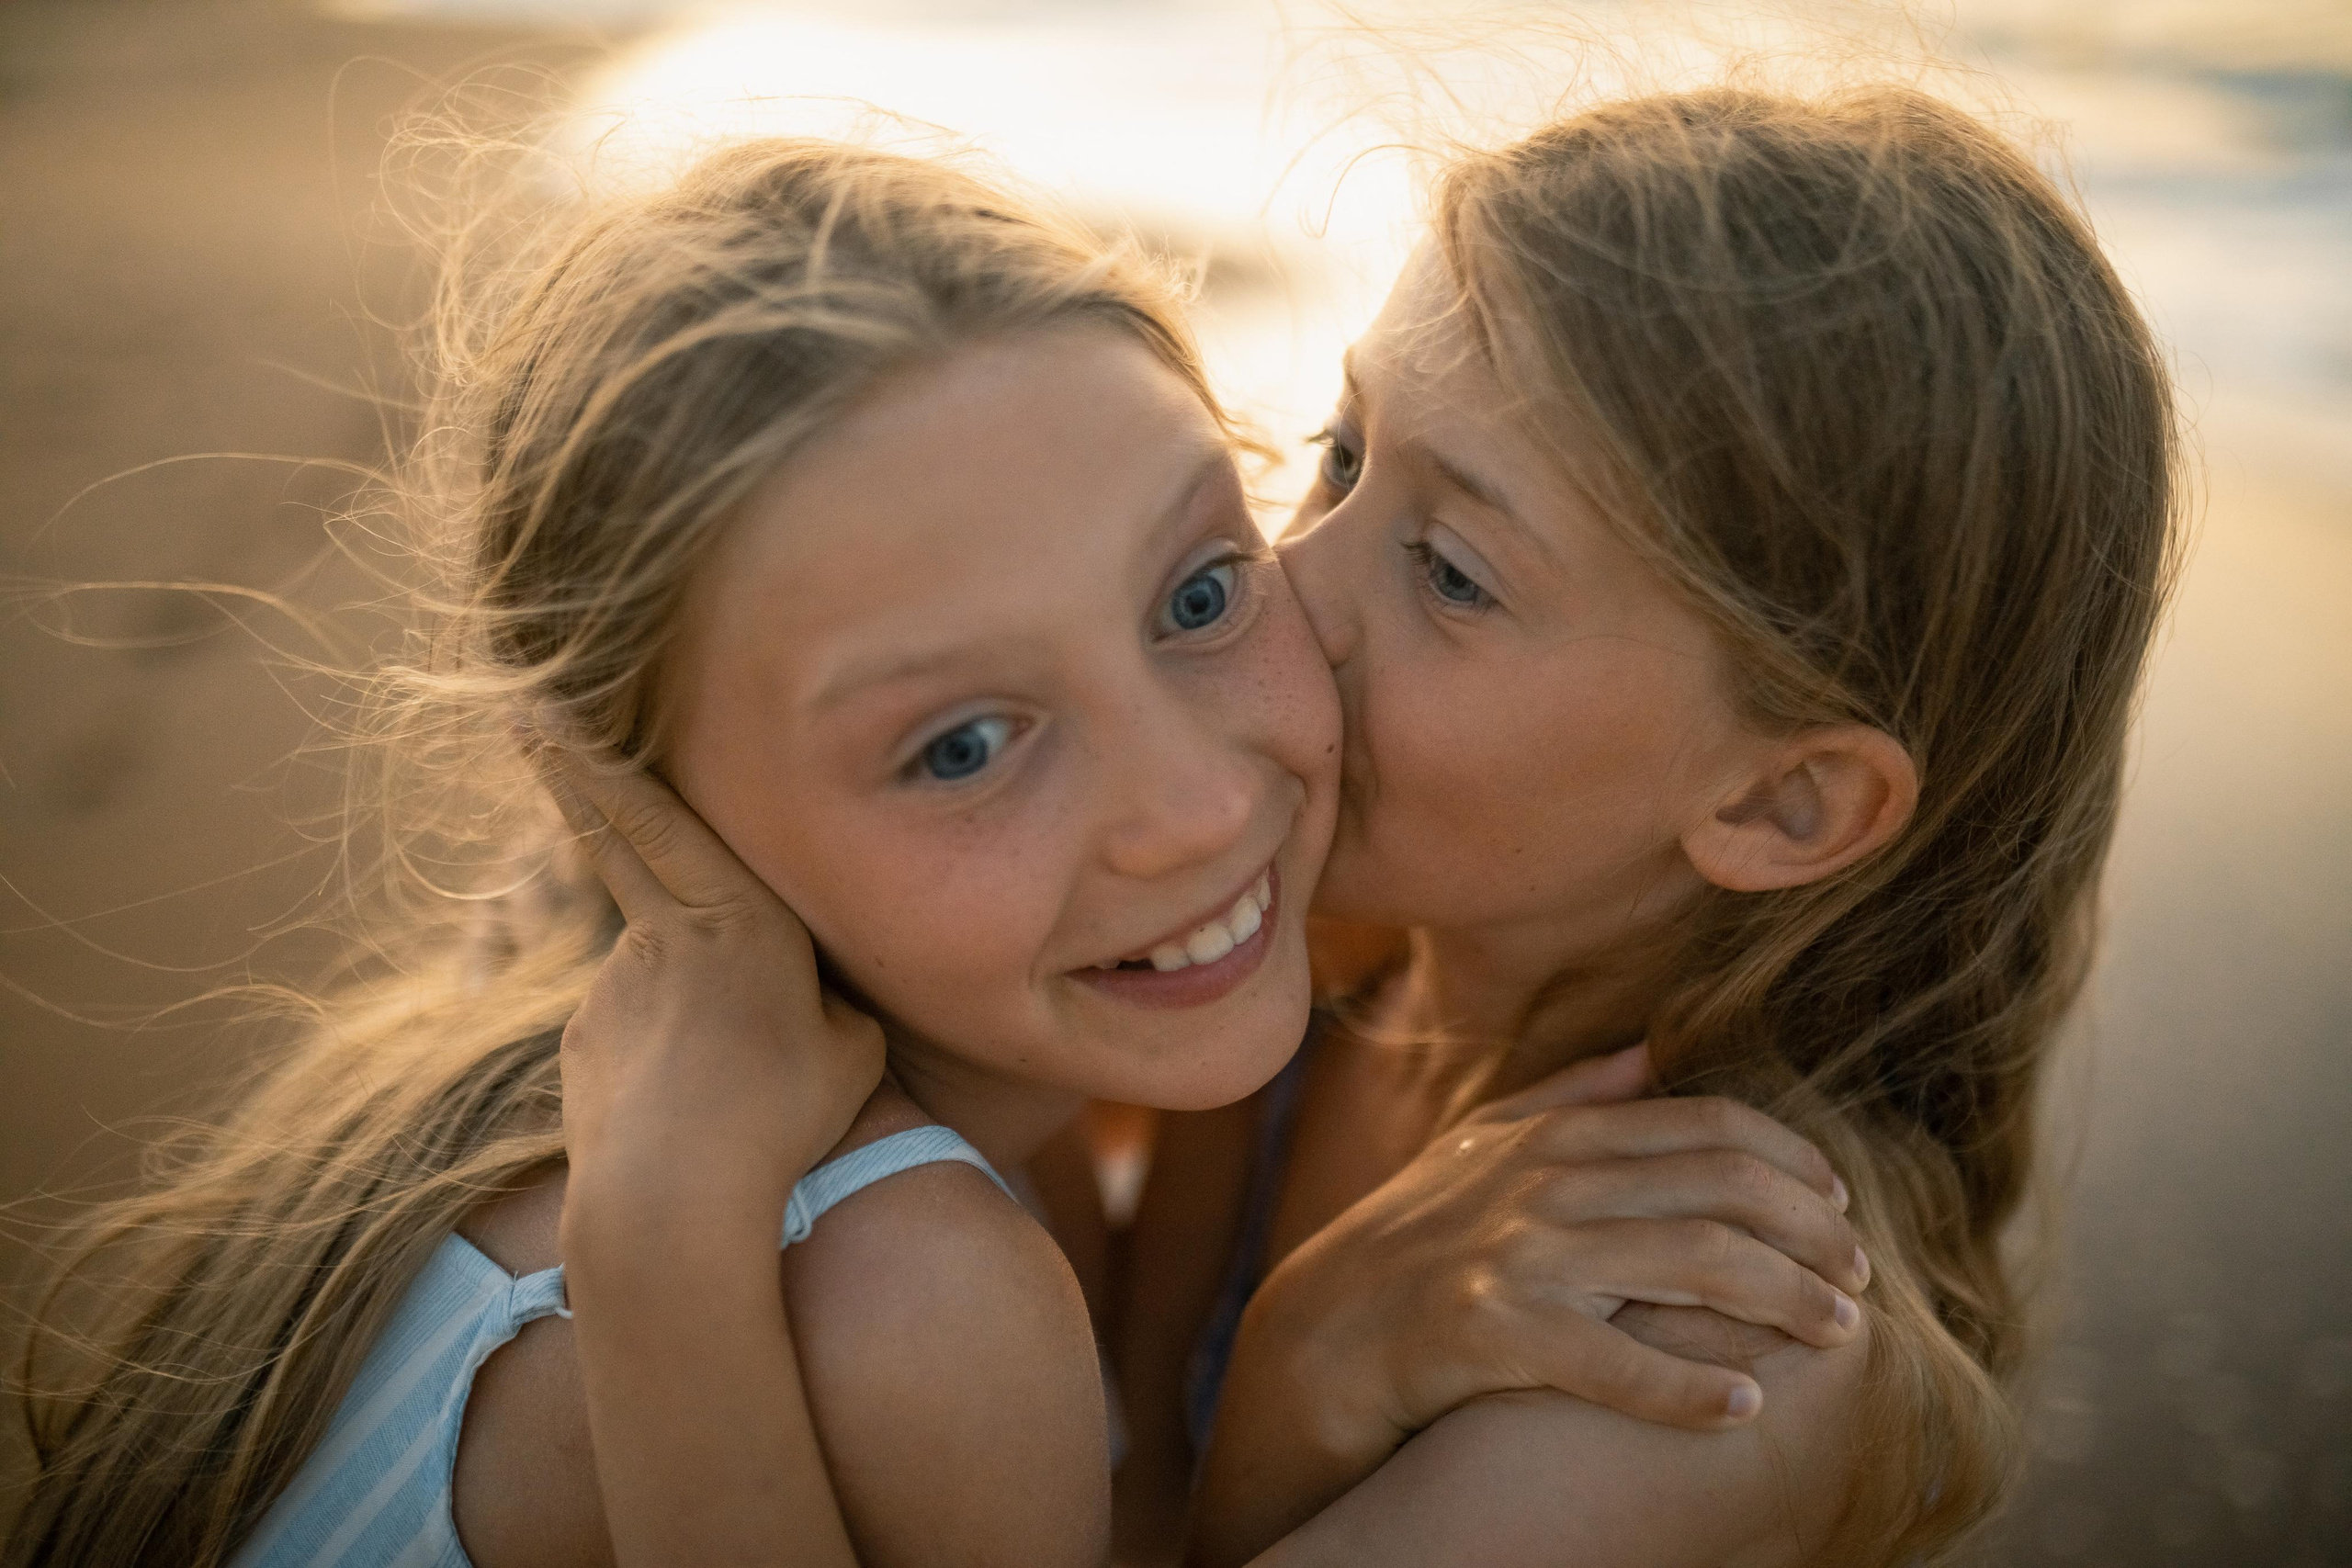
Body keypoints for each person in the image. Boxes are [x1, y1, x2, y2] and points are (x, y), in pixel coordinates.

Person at [7, 136, 1861, 1568]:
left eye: (1199, 591)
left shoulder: (490, 1055)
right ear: (633, 810)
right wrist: (662, 1254)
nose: (1199, 808)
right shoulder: (916, 1294)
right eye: (959, 743)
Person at [1120, 84, 2182, 1567]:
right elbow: (1130, 1467)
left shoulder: (1712, 1352)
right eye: (1344, 450)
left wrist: (1311, 1368)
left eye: (1451, 573)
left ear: (1778, 801)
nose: (1287, 576)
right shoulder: (1307, 957)